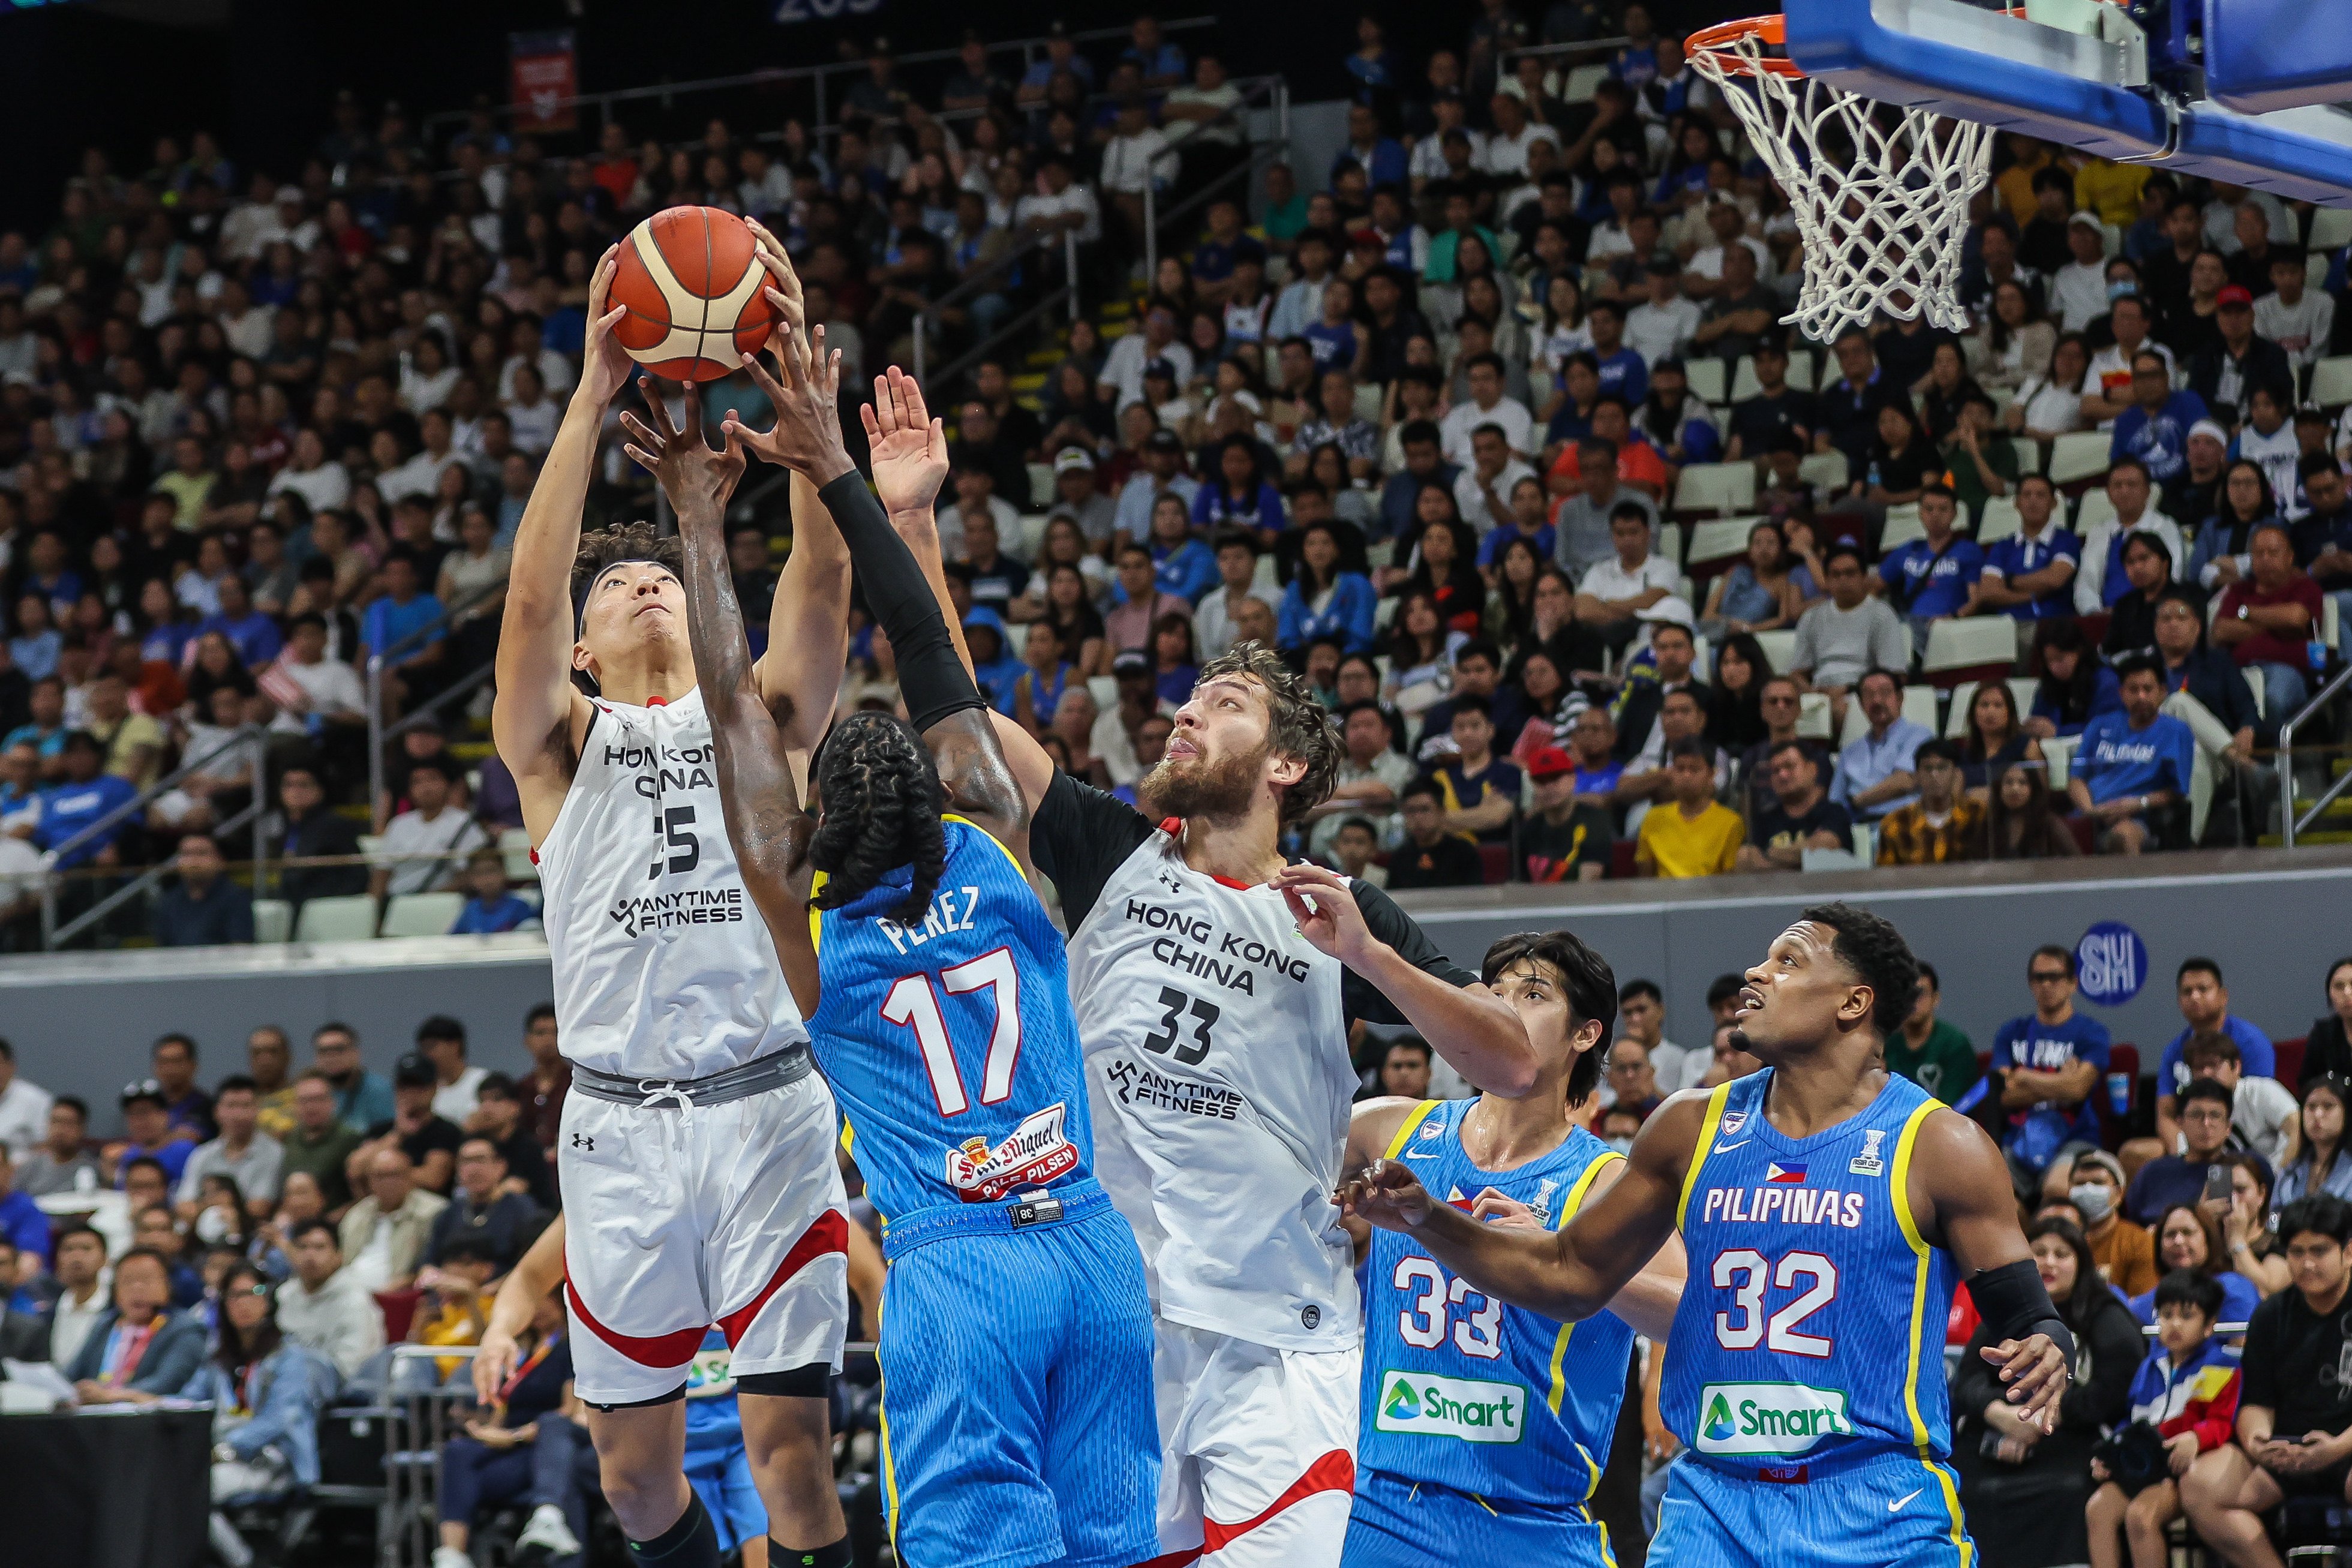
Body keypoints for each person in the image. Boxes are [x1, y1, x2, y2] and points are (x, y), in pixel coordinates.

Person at [630, 355, 1161, 1568]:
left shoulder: (812, 922)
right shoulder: (989, 838)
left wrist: (703, 520)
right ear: (939, 793)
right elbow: (931, 650)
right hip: (1087, 1247)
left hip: (959, 1269)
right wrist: (842, 476)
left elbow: (734, 711)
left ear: (813, 831)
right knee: (1114, 1550)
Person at [1341, 902, 2075, 1567]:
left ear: (1856, 1002)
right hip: (1713, 1512)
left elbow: (2030, 1312)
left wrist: (2049, 1344)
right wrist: (1429, 1218)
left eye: (1789, 961)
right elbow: (1569, 1277)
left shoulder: (1939, 1146)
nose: (1757, 971)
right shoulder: (1689, 1126)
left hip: (1878, 1509)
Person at [488, 239, 852, 1565]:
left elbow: (820, 585)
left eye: (660, 573)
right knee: (636, 1487)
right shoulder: (560, 746)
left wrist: (805, 417)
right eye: (615, 583)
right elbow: (527, 595)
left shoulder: (762, 718)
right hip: (618, 1129)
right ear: (582, 648)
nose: (642, 579)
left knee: (793, 1467)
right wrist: (590, 398)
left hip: (765, 1104)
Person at [1339, 932, 1686, 1567]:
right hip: (1382, 1510)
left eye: (1531, 994)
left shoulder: (1606, 1181)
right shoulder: (1388, 1127)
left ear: (1585, 1033)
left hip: (1533, 1522)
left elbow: (1688, 1315)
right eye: (1491, 992)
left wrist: (1571, 1256)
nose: (1500, 1007)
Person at [1952, 1217, 2141, 1568]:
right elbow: (1967, 1381)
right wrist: (2000, 1415)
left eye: (2062, 1254)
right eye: (2039, 1253)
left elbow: (2113, 1388)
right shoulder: (2001, 1315)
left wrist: (2040, 1419)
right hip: (1999, 1431)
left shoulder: (2106, 1315)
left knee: (2068, 1490)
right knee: (1959, 1481)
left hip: (2072, 1434)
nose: (2049, 1262)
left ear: (2081, 1262)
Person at [2179, 1194, 2352, 1559]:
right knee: (2200, 1487)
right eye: (2296, 1252)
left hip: (2347, 1447)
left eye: (2319, 1252)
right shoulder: (2271, 1315)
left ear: (2348, 1252)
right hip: (2288, 1452)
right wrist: (2260, 1443)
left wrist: (2336, 1449)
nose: (2306, 1264)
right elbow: (2257, 1402)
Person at [2085, 1270, 2240, 1568]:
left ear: (2209, 1325)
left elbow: (2223, 1422)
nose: (2175, 1324)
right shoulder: (2149, 1367)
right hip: (2141, 1466)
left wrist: (2197, 1438)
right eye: (2166, 1315)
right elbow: (2131, 1421)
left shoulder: (2222, 1365)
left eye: (2187, 1316)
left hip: (2181, 1472)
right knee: (2098, 1509)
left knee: (2141, 1517)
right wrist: (2109, 1454)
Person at [432, 1279, 591, 1568]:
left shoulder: (570, 1348)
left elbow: (568, 1413)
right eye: (535, 1303)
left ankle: (548, 1519)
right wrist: (483, 1428)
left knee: (551, 1425)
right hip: (513, 1445)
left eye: (547, 1301)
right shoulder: (522, 1351)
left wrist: (514, 1437)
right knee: (458, 1452)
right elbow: (503, 1409)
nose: (540, 1310)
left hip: (546, 1446)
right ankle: (452, 1555)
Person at [1991, 945, 2114, 1201]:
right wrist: (2063, 1082)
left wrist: (2025, 1077)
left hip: (2075, 1138)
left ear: (2073, 983)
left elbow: (2079, 1090)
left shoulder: (2092, 1033)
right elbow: (2003, 1096)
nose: (2047, 985)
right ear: (2031, 984)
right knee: (1993, 1198)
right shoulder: (2012, 1032)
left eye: (2055, 977)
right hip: (2017, 1140)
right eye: (2039, 978)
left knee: (2056, 1189)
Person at [2066, 655, 2194, 855]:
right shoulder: (2099, 726)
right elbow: (2076, 780)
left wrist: (2137, 804)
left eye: (2148, 689)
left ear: (2162, 692)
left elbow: (2176, 792)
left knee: (2122, 838)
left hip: (2140, 817)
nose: (2141, 697)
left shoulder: (2176, 731)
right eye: (2133, 690)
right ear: (2121, 693)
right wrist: (2092, 811)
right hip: (2091, 814)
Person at [63, 1245, 209, 1401]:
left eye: (146, 1280)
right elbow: (72, 1374)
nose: (136, 1288)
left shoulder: (185, 1328)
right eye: (127, 1281)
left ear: (169, 1286)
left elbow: (167, 1382)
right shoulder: (106, 1323)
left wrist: (110, 1396)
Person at [2212, 522, 2323, 719]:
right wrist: (2274, 622)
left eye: (2273, 553)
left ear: (2289, 557)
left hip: (2287, 671)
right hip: (2240, 671)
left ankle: (2274, 750)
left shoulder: (2305, 587)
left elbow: (2296, 618)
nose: (2265, 559)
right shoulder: (2238, 590)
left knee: (2271, 702)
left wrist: (2247, 614)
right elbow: (2220, 631)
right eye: (2259, 553)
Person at [1789, 549, 1906, 728]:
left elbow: (1894, 676)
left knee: (1842, 712)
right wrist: (1813, 692)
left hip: (1861, 692)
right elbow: (1797, 673)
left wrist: (1848, 689)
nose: (1843, 581)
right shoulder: (1811, 617)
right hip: (1819, 692)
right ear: (1826, 580)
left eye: (1850, 574)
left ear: (1865, 577)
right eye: (1835, 575)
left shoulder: (1882, 615)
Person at [2125, 1079, 2255, 1227]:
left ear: (2228, 1127)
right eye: (2196, 1115)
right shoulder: (2153, 1173)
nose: (2206, 1124)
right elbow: (2131, 1230)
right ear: (2180, 1123)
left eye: (2215, 1115)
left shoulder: (2247, 1170)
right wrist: (2200, 1216)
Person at [272, 1216, 385, 1381]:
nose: (310, 1255)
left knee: (296, 1364)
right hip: (286, 1378)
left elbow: (351, 1367)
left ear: (339, 1256)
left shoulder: (355, 1301)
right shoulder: (284, 1296)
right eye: (302, 1247)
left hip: (340, 1385)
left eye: (319, 1248)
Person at [1830, 668, 1934, 824]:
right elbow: (1835, 802)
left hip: (1905, 824)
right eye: (1869, 695)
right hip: (1857, 829)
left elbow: (1905, 782)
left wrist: (1855, 802)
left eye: (1885, 693)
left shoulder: (1919, 736)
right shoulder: (1849, 752)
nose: (1877, 701)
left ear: (1900, 698)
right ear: (1861, 704)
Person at [337, 1148, 448, 1294]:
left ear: (409, 1176)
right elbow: (343, 1261)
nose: (388, 1182)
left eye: (395, 1175)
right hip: (350, 1293)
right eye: (380, 1176)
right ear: (370, 1181)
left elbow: (435, 1266)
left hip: (399, 1296)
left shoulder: (434, 1212)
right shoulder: (357, 1214)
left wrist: (408, 1281)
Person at [1735, 740, 1854, 872]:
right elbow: (1745, 858)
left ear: (1812, 769)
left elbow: (1824, 848)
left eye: (1789, 766)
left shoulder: (1834, 812)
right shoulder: (1764, 819)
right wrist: (1798, 860)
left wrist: (1773, 854)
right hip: (1775, 892)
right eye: (1776, 771)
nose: (1783, 775)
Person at [426, 1137, 542, 1270]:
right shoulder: (449, 1213)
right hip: (447, 1288)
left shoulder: (521, 1208)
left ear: (500, 1166)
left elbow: (529, 1265)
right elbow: (428, 1262)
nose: (473, 1169)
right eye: (466, 1162)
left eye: (480, 1160)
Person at [176, 1076, 282, 1222]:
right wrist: (216, 1207)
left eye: (246, 1106)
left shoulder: (274, 1153)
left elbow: (259, 1208)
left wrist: (209, 1205)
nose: (238, 1115)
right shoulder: (202, 1154)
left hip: (251, 1232)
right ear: (217, 1112)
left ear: (258, 1109)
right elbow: (183, 1205)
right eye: (231, 1106)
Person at [1633, 738, 1743, 879]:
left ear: (1711, 775)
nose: (1686, 776)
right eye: (1680, 769)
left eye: (1694, 769)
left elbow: (1730, 880)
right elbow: (1645, 876)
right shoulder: (1653, 818)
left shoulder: (1731, 822)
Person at [2063, 1151, 2159, 1295]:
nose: (2088, 1189)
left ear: (2119, 1194)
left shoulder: (2139, 1242)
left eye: (2098, 1183)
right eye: (2080, 1184)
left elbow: (2140, 1306)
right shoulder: (2059, 1240)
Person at [1888, 962, 1982, 1107]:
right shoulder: (1887, 1046)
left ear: (1936, 998)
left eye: (1921, 993)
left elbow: (1952, 1107)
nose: (1913, 1001)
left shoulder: (1955, 1045)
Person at [1876, 741, 1984, 865]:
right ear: (1916, 776)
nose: (1934, 775)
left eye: (1942, 768)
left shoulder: (1978, 815)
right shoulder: (1895, 823)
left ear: (1956, 774)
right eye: (1928, 769)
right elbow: (1886, 878)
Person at [1519, 745, 1612, 882]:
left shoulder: (1595, 822)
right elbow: (1519, 884)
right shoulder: (1527, 829)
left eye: (1555, 777)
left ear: (1573, 779)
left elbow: (1588, 883)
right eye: (1541, 780)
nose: (1549, 787)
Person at [151, 830, 255, 947]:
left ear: (219, 860)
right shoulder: (168, 902)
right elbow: (163, 951)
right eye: (186, 854)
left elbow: (241, 948)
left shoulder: (236, 898)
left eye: (201, 853)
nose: (194, 862)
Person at [1386, 779, 1488, 890]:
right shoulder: (1400, 858)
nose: (1418, 818)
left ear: (1442, 812)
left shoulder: (1464, 853)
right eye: (1411, 811)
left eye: (1425, 810)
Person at [2274, 1076, 2352, 1212]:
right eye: (2311, 1107)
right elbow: (2273, 1218)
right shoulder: (2290, 1172)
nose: (2317, 1115)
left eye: (2328, 1106)